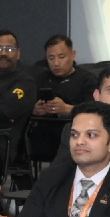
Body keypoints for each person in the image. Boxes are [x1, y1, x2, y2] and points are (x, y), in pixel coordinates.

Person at [26, 33, 98, 164]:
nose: (56, 63)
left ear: (73, 55)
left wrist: (67, 109)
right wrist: (34, 110)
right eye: (51, 58)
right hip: (42, 133)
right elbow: (24, 105)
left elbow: (94, 111)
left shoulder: (87, 80)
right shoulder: (39, 78)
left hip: (73, 133)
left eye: (61, 57)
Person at [0, 30, 36, 132]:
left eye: (10, 49)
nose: (3, 53)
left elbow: (3, 111)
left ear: (18, 53)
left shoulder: (25, 83)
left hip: (4, 139)